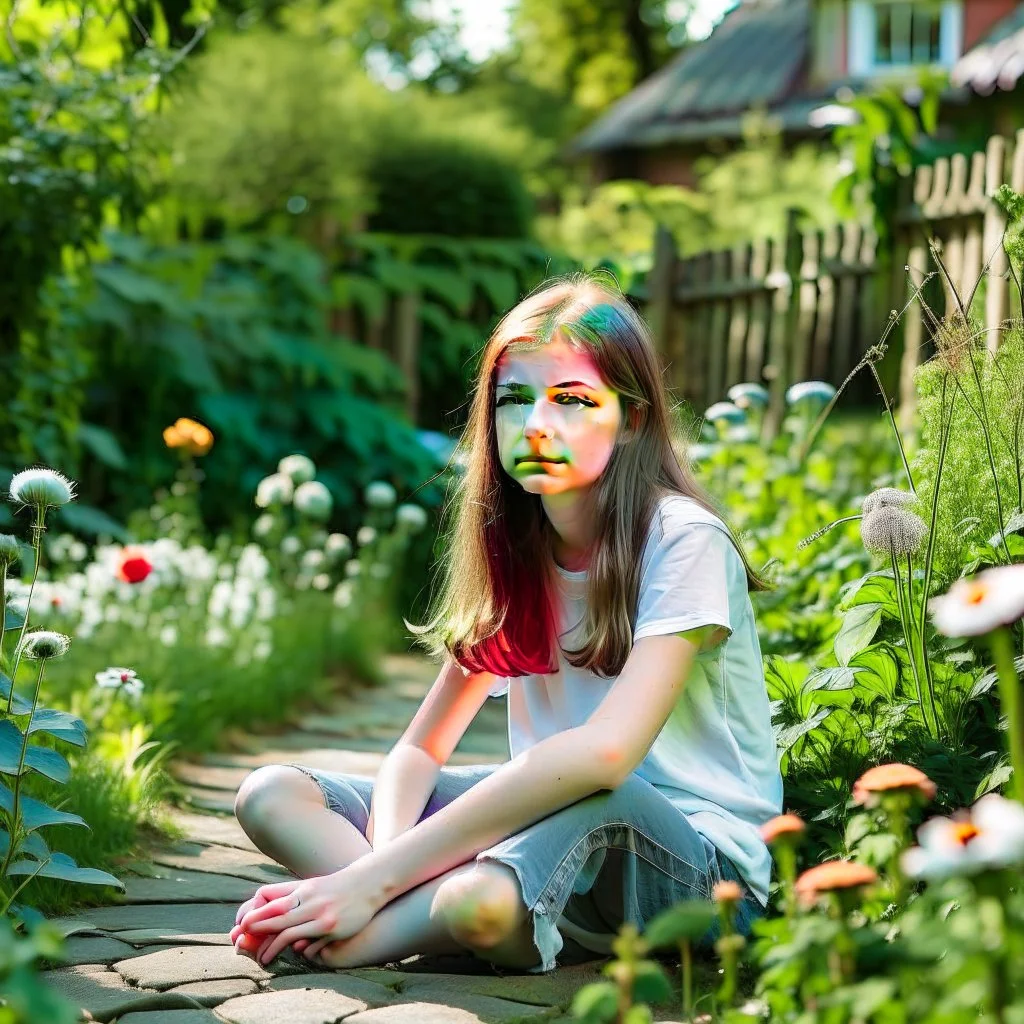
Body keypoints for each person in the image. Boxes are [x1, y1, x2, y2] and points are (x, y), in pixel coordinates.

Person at [230, 272, 784, 974]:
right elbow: (418, 750)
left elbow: (604, 757)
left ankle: (367, 936)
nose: (536, 424)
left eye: (573, 400)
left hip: (695, 870)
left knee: (494, 889)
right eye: (513, 398)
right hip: (546, 826)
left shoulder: (682, 540)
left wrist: (372, 886)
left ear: (634, 418)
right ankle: (410, 917)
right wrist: (385, 868)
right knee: (273, 794)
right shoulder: (516, 547)